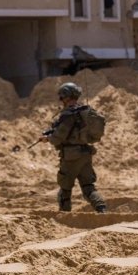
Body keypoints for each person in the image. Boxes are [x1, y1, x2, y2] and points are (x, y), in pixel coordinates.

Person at [45, 82, 107, 213]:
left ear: (66, 97)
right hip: (85, 154)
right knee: (88, 187)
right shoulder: (84, 111)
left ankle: (65, 216)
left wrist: (47, 138)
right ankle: (102, 210)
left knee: (65, 189)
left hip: (71, 157)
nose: (61, 100)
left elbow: (58, 137)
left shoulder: (68, 115)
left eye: (62, 97)